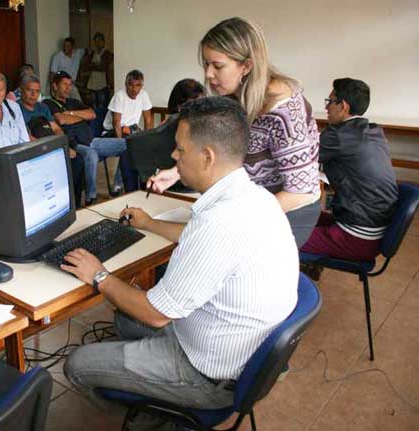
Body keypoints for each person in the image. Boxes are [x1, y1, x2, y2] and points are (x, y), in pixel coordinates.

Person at [62, 97, 298, 423]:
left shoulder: (218, 224)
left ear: (207, 157)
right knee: (122, 321)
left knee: (76, 363)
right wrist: (148, 224)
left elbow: (156, 314)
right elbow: (199, 238)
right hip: (234, 346)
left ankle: (135, 416)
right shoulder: (256, 198)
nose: (174, 156)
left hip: (205, 375)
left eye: (180, 149)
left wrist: (100, 275)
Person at [148, 17, 321, 248]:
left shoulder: (284, 110)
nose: (208, 74)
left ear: (246, 66)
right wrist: (176, 173)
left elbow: (301, 192)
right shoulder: (235, 96)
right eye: (206, 65)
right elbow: (223, 149)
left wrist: (235, 217)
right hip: (252, 200)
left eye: (217, 66)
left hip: (287, 210)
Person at [301, 78, 398, 262]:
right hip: (373, 227)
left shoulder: (339, 135)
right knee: (303, 215)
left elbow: (295, 156)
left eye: (330, 102)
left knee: (278, 239)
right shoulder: (373, 131)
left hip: (356, 237)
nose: (327, 107)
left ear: (343, 106)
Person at [44, 72, 136, 205]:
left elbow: (92, 114)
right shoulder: (48, 103)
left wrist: (70, 113)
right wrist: (80, 117)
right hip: (76, 143)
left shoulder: (73, 102)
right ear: (55, 85)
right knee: (91, 154)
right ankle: (90, 196)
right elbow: (61, 120)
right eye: (64, 84)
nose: (68, 88)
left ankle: (119, 185)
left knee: (128, 144)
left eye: (70, 85)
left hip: (92, 140)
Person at [19, 74, 85, 206]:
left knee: (78, 160)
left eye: (37, 91)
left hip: (52, 145)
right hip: (35, 149)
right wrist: (47, 148)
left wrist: (62, 145)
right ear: (21, 90)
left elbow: (56, 128)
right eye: (29, 90)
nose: (33, 94)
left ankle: (74, 204)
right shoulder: (17, 108)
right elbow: (25, 136)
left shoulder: (42, 107)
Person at [103, 69, 153, 194]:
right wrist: (120, 143)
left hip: (132, 130)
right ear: (126, 85)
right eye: (131, 85)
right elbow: (116, 123)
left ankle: (142, 181)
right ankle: (119, 183)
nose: (134, 89)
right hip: (112, 131)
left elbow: (148, 119)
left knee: (146, 145)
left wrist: (148, 137)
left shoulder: (143, 95)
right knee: (129, 147)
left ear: (142, 86)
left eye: (138, 85)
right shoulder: (119, 96)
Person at [80, 32, 114, 109]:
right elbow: (86, 66)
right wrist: (95, 65)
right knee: (93, 104)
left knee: (103, 104)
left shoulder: (108, 53)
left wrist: (93, 65)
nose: (97, 43)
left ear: (103, 41)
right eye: (96, 41)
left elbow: (103, 67)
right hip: (92, 83)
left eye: (99, 41)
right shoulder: (92, 53)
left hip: (103, 83)